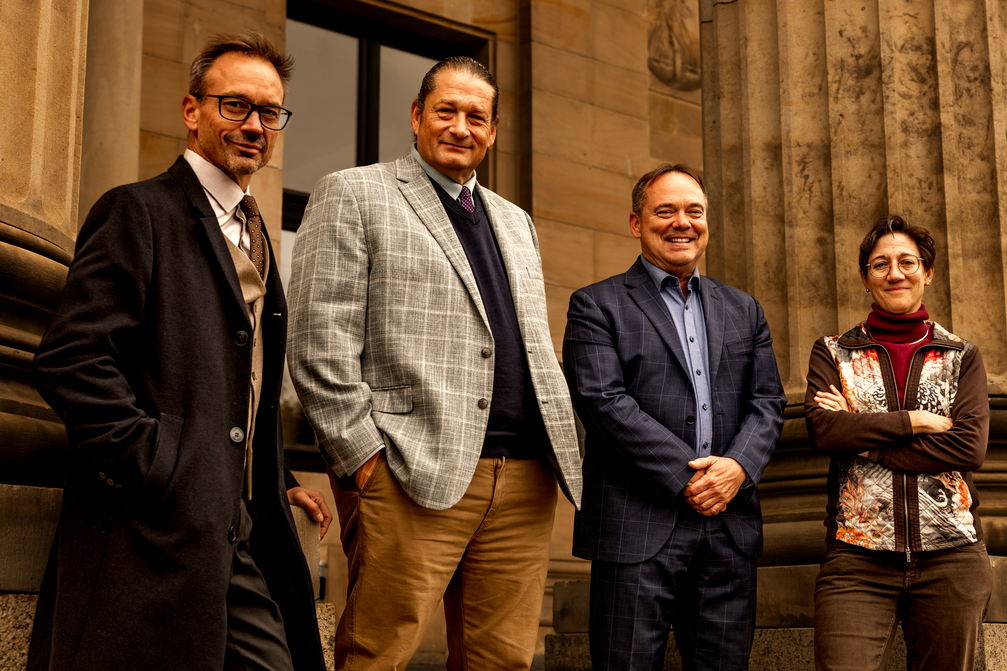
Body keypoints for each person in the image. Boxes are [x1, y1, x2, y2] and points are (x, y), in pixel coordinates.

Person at [28, 33, 331, 671]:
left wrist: (274, 479)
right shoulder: (137, 211)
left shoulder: (254, 231)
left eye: (268, 112)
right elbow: (72, 358)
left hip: (237, 526)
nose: (254, 125)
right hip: (152, 527)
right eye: (235, 105)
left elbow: (238, 378)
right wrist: (160, 466)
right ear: (192, 111)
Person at [286, 56, 583, 670]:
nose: (460, 127)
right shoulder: (354, 193)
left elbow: (531, 343)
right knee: (377, 654)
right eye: (446, 111)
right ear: (417, 116)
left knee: (501, 662)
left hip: (525, 477)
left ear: (493, 132)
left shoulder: (516, 221)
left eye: (476, 116)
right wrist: (363, 459)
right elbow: (319, 341)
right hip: (408, 468)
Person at [562, 163, 786, 671]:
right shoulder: (596, 305)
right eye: (665, 211)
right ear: (636, 224)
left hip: (728, 528)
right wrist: (692, 478)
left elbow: (767, 402)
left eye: (694, 211)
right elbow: (603, 401)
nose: (682, 222)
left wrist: (737, 468)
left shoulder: (744, 309)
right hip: (635, 527)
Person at [806, 215, 991, 670]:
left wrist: (864, 438)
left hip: (952, 556)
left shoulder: (961, 355)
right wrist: (914, 422)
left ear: (927, 272)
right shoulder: (833, 352)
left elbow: (968, 448)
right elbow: (825, 431)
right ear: (865, 277)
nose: (895, 274)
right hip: (857, 557)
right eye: (880, 264)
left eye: (908, 262)